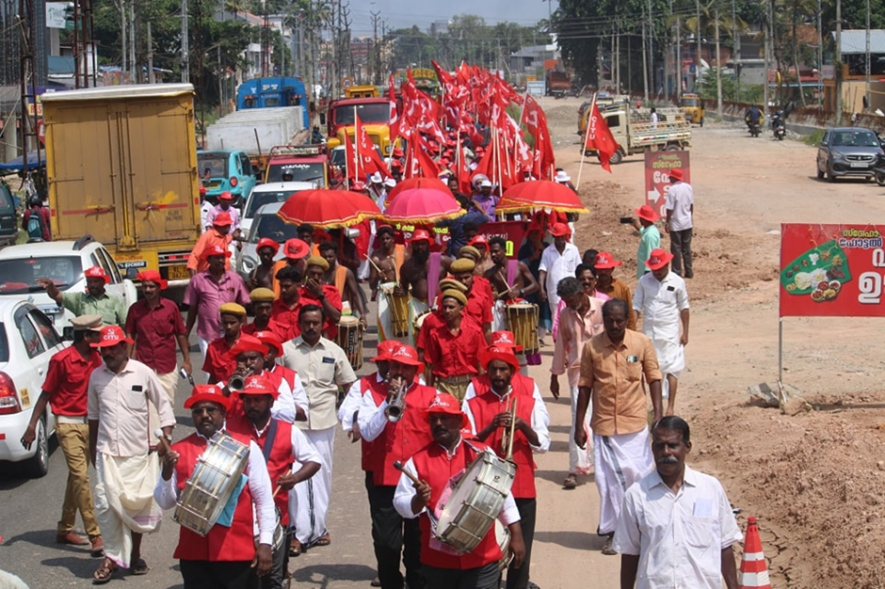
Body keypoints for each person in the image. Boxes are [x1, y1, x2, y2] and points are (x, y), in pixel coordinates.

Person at [393, 394, 526, 589]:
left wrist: (516, 534)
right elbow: (400, 503)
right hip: (437, 563)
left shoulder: (483, 453)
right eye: (433, 419)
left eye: (444, 418)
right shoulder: (417, 462)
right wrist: (418, 500)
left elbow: (502, 496)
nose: (438, 423)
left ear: (459, 420)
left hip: (482, 559)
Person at [153, 384, 276, 589]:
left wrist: (265, 543)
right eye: (198, 411)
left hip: (236, 550)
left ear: (223, 412)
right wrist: (166, 472)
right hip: (194, 553)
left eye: (211, 409)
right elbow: (165, 503)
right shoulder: (178, 451)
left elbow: (263, 500)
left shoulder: (246, 447)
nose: (204, 415)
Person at [88, 325, 175, 584]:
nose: (108, 353)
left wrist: (166, 437)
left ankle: (134, 555)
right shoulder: (96, 377)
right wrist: (94, 451)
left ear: (124, 347)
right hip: (107, 454)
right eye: (104, 349)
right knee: (106, 507)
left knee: (136, 506)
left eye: (113, 348)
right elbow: (93, 417)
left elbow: (163, 405)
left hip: (139, 453)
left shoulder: (142, 372)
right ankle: (112, 558)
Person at [575, 299, 662, 555]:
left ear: (627, 320)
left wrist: (657, 415)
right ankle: (613, 533)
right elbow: (584, 386)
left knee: (640, 477)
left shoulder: (641, 343)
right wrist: (579, 425)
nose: (614, 325)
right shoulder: (592, 347)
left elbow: (654, 378)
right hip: (604, 427)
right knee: (608, 483)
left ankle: (641, 529)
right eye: (610, 320)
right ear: (604, 319)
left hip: (635, 425)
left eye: (619, 320)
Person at [613, 416, 742, 589]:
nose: (666, 452)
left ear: (687, 447)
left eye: (673, 445)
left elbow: (725, 545)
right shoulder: (636, 496)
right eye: (660, 446)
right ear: (653, 448)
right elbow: (630, 554)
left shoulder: (710, 489)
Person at [462, 347, 549, 589]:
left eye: (503, 369)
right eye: (493, 369)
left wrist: (523, 426)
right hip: (485, 488)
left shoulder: (529, 401)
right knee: (487, 552)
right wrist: (490, 428)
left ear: (512, 372)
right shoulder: (473, 403)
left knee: (521, 553)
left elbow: (543, 444)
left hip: (521, 486)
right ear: (487, 372)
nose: (498, 374)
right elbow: (464, 445)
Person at [20, 315, 104, 557]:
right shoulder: (61, 360)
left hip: (92, 424)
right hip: (68, 425)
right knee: (81, 477)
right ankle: (94, 534)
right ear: (85, 336)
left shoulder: (96, 357)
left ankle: (64, 529)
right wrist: (32, 425)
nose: (99, 337)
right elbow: (46, 393)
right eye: (95, 334)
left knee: (76, 480)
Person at [227, 377, 322, 589]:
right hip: (237, 518)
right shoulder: (228, 429)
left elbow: (314, 460)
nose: (252, 405)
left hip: (278, 514)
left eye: (258, 400)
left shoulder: (288, 431)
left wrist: (295, 478)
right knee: (243, 578)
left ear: (271, 402)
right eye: (248, 400)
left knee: (272, 577)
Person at [358, 344, 438, 589]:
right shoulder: (372, 394)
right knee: (386, 543)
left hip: (418, 481)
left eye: (406, 368)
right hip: (385, 480)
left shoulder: (430, 396)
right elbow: (368, 433)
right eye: (395, 367)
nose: (400, 372)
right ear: (388, 368)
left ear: (415, 371)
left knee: (418, 543)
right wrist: (388, 404)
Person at [281, 305, 357, 552]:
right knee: (295, 478)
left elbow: (349, 386)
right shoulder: (286, 351)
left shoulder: (334, 351)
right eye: (306, 323)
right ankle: (298, 533)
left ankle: (319, 528)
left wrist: (353, 419)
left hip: (323, 422)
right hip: (294, 424)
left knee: (321, 477)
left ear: (323, 324)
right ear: (299, 323)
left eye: (315, 323)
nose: (311, 327)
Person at [550, 276, 605, 490]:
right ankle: (575, 469)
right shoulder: (565, 315)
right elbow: (561, 345)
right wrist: (555, 375)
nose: (570, 305)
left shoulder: (601, 308)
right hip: (577, 373)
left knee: (602, 419)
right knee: (578, 419)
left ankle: (601, 465)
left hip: (603, 373)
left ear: (582, 293)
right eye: (566, 301)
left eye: (572, 300)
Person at [633, 249, 690, 416]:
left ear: (667, 265)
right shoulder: (644, 281)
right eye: (654, 270)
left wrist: (685, 332)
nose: (657, 273)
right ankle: (654, 406)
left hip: (670, 332)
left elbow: (684, 307)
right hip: (649, 333)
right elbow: (637, 305)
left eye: (660, 269)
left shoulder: (677, 282)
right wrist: (631, 330)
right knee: (650, 368)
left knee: (673, 367)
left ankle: (670, 407)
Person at [126, 270, 191, 409]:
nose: (147, 290)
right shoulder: (135, 310)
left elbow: (180, 333)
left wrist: (187, 360)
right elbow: (130, 335)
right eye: (144, 287)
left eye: (151, 287)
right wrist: (127, 362)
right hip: (143, 365)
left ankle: (165, 432)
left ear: (159, 287)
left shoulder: (171, 307)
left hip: (166, 366)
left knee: (166, 404)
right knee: (145, 406)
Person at [184, 245, 250, 362]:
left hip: (232, 333)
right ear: (208, 260)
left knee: (234, 367)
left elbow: (243, 307)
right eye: (216, 258)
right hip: (208, 334)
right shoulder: (198, 280)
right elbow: (192, 309)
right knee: (210, 371)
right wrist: (186, 334)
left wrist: (245, 333)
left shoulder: (235, 279)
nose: (220, 261)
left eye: (222, 257)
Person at [423, 290, 485, 401]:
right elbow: (430, 366)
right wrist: (429, 393)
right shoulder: (435, 335)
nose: (447, 311)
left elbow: (481, 364)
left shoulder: (475, 332)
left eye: (451, 307)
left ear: (461, 309)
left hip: (469, 385)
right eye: (445, 307)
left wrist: (481, 390)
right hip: (444, 386)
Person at [37, 266, 127, 328]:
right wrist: (51, 286)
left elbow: (125, 325)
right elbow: (57, 295)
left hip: (108, 347)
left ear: (103, 282)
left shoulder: (114, 301)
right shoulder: (79, 299)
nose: (92, 285)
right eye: (90, 281)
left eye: (96, 281)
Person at [484, 236, 539, 331]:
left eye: (496, 251)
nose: (493, 254)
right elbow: (484, 291)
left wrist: (520, 291)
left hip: (518, 304)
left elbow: (535, 285)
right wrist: (492, 295)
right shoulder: (490, 273)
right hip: (501, 307)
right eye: (491, 252)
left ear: (505, 251)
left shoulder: (519, 265)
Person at [538, 222, 581, 331]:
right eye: (557, 237)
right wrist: (541, 288)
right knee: (557, 317)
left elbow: (579, 269)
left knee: (573, 314)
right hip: (554, 291)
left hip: (572, 291)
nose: (560, 239)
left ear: (565, 235)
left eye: (562, 236)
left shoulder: (573, 249)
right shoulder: (547, 252)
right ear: (553, 236)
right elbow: (542, 271)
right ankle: (558, 341)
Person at [551, 263, 609, 341]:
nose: (586, 281)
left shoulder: (604, 302)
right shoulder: (565, 302)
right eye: (582, 279)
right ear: (577, 281)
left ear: (595, 280)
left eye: (590, 278)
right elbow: (557, 325)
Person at [370, 225, 406, 342]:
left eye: (388, 238)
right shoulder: (376, 258)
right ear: (379, 240)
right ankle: (385, 351)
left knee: (404, 324)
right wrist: (377, 278)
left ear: (393, 239)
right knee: (384, 324)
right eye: (382, 239)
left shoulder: (402, 253)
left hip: (401, 291)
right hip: (385, 294)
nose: (385, 241)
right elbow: (371, 285)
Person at [319, 240, 367, 325]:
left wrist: (362, 314)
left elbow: (355, 294)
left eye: (330, 256)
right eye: (324, 257)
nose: (327, 259)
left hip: (343, 312)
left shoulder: (345, 272)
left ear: (336, 256)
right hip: (321, 311)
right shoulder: (316, 273)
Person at [397, 229, 435, 335]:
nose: (420, 247)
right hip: (417, 307)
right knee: (416, 340)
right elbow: (404, 288)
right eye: (417, 244)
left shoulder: (441, 261)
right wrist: (400, 291)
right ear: (412, 246)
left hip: (438, 306)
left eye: (423, 244)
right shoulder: (407, 267)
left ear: (428, 244)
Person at [518, 223, 550, 342]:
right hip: (529, 283)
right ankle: (531, 334)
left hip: (544, 283)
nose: (534, 236)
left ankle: (541, 336)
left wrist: (542, 249)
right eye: (531, 234)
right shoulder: (524, 249)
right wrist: (532, 258)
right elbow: (520, 265)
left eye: (536, 233)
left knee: (543, 308)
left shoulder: (547, 247)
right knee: (531, 308)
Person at [449, 257, 492, 342]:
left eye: (466, 277)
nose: (463, 282)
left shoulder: (483, 298)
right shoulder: (448, 299)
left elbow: (487, 328)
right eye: (459, 279)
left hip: (476, 345)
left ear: (473, 276)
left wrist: (488, 350)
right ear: (454, 278)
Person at [300, 255, 344, 339]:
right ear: (306, 273)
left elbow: (336, 318)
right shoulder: (299, 292)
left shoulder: (332, 292)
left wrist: (321, 296)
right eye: (312, 273)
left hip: (327, 339)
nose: (316, 277)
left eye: (319, 274)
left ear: (323, 275)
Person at [202, 303, 247, 385]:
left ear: (241, 321)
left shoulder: (252, 343)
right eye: (225, 323)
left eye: (232, 323)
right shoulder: (213, 347)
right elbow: (212, 377)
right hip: (222, 393)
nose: (228, 327)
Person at [594, 252, 637, 330]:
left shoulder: (622, 289)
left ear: (612, 269)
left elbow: (630, 314)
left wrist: (631, 335)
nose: (603, 272)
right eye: (600, 269)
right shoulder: (593, 289)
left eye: (606, 269)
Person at [665, 169, 694, 278]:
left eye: (670, 176)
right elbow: (691, 205)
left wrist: (667, 222)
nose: (669, 178)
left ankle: (677, 273)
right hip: (687, 222)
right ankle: (689, 271)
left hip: (676, 223)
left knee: (676, 248)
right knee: (686, 248)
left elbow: (670, 208)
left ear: (674, 178)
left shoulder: (673, 190)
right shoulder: (688, 187)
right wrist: (691, 218)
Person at [631, 205, 661, 279]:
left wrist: (647, 275)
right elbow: (644, 232)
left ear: (643, 219)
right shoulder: (651, 230)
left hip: (647, 274)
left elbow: (650, 255)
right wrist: (637, 227)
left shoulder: (650, 235)